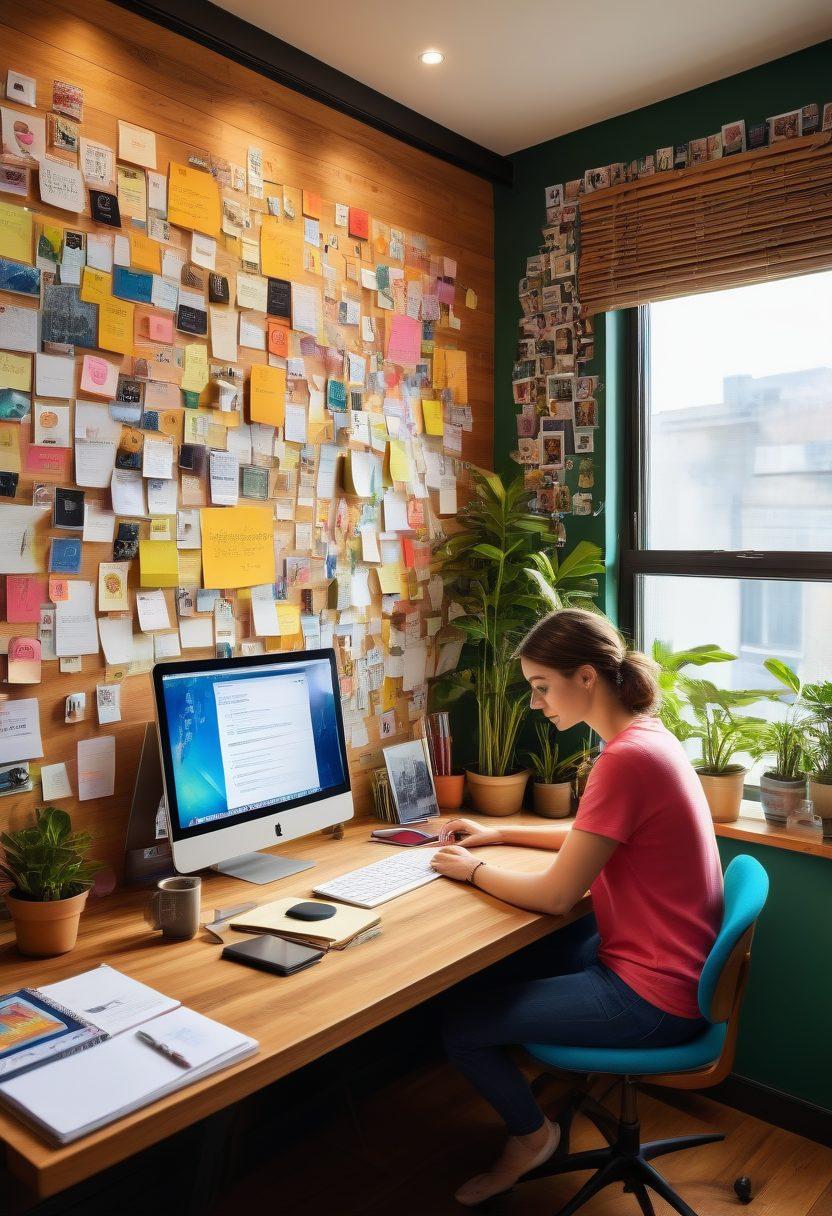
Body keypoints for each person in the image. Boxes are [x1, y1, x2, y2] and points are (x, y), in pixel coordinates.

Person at [431, 609, 724, 1207]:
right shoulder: (645, 737)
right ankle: (541, 1101)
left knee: (461, 1026)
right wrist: (495, 835)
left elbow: (557, 895)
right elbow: (595, 835)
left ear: (586, 677)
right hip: (666, 960)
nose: (537, 703)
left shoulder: (624, 759)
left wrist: (474, 869)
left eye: (542, 686)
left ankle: (532, 1136)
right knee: (496, 974)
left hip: (653, 993)